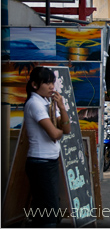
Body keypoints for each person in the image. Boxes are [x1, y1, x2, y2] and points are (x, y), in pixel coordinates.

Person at [24, 67, 71, 227]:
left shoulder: (47, 102)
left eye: (52, 82)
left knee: (48, 207)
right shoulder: (35, 103)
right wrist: (58, 131)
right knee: (48, 212)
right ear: (35, 85)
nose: (52, 87)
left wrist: (62, 107)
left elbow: (66, 129)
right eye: (47, 83)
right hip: (40, 163)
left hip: (49, 162)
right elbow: (54, 134)